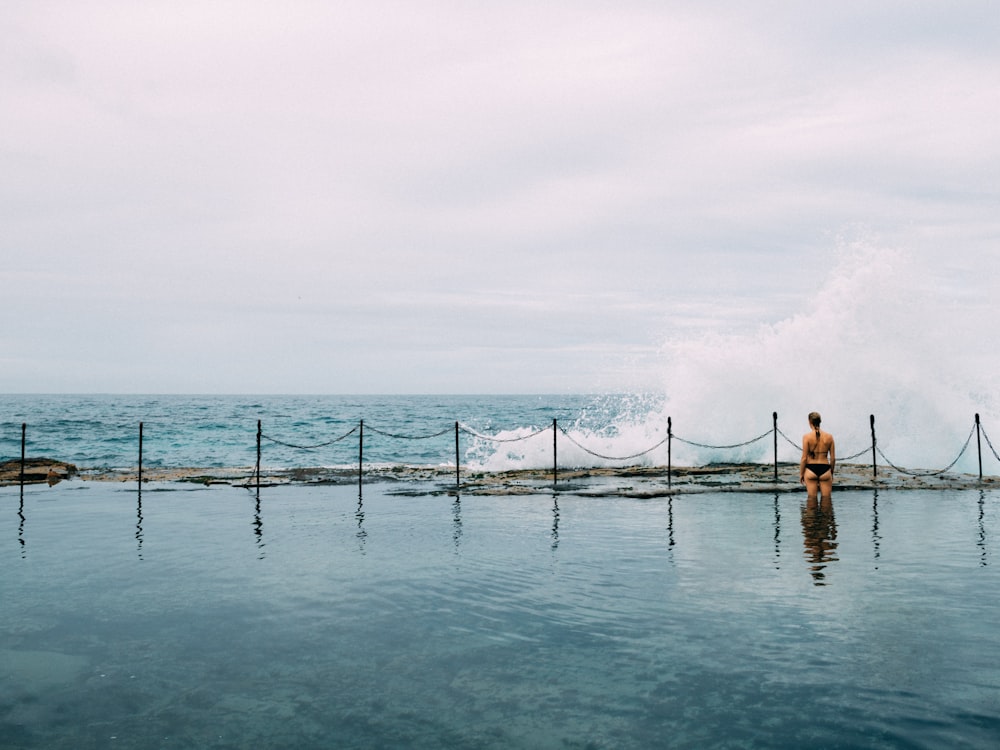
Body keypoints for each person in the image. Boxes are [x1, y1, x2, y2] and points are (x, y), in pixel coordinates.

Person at [800, 411, 835, 501]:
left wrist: (801, 474)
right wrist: (831, 472)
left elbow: (804, 458)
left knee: (811, 500)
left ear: (809, 422)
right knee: (827, 501)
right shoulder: (829, 437)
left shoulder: (806, 437)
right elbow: (833, 458)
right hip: (825, 469)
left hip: (811, 469)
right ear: (820, 421)